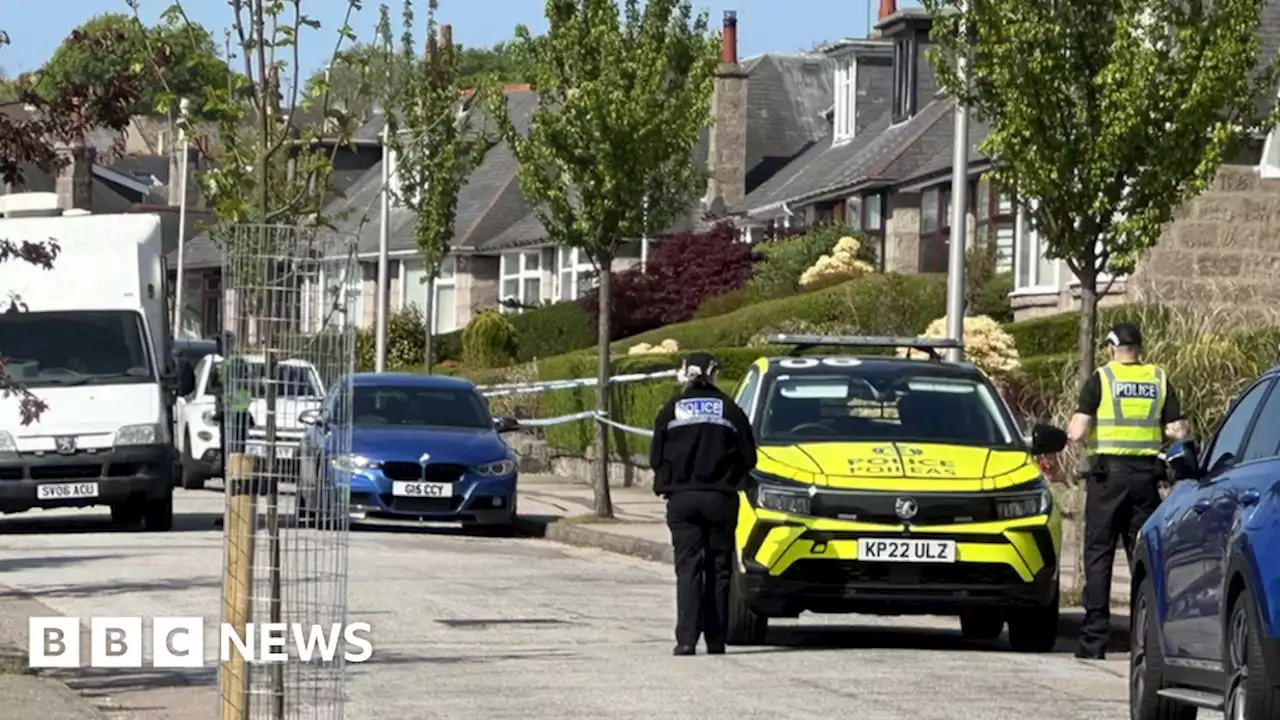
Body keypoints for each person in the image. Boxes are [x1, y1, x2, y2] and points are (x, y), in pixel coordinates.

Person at [1067, 322, 1190, 659]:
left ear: (1111, 347)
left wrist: (1072, 431)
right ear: (1140, 348)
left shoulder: (1101, 379)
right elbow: (1178, 429)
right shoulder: (1158, 378)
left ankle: (1093, 640)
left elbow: (1077, 432)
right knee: (1144, 557)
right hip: (1146, 480)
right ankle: (1146, 637)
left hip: (1108, 479)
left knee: (1099, 553)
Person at [649, 352, 757, 656]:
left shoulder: (671, 409)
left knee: (688, 568)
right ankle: (716, 639)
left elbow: (655, 456)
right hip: (720, 498)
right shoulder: (730, 409)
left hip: (682, 500)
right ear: (714, 373)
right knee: (720, 568)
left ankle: (686, 640)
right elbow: (750, 457)